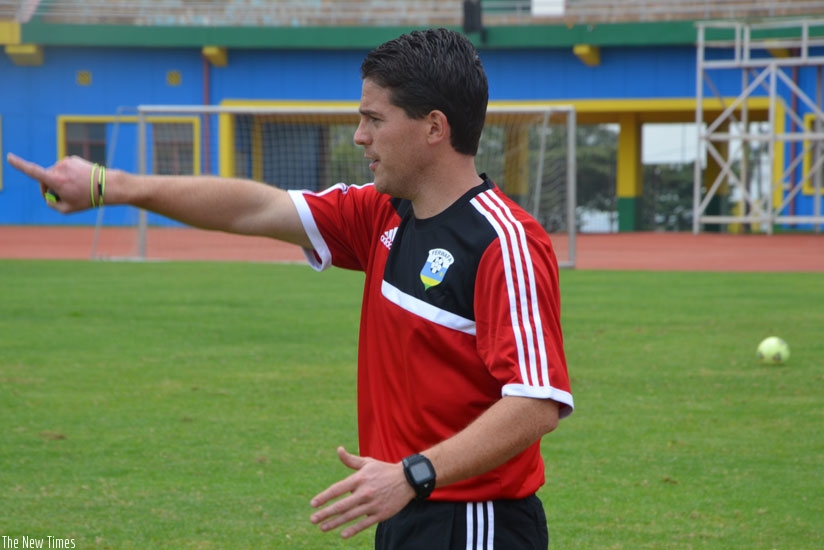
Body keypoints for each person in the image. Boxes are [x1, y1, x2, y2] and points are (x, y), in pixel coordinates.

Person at [7, 27, 573, 549]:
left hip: (475, 521)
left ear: (433, 127)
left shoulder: (505, 242)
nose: (359, 136)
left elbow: (537, 402)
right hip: (401, 504)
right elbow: (257, 207)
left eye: (374, 119)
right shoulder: (380, 215)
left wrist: (414, 472)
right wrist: (113, 185)